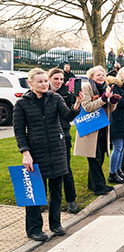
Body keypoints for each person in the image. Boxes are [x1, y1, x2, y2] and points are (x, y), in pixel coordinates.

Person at [15, 69, 82, 241]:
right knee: (36, 193)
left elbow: (66, 116)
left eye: (46, 81)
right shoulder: (22, 104)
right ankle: (34, 229)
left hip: (56, 150)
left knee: (56, 190)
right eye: (40, 82)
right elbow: (19, 131)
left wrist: (75, 107)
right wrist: (25, 153)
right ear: (31, 83)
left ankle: (55, 224)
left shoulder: (55, 98)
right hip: (35, 152)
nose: (45, 84)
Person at [74, 66, 121, 195]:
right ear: (92, 77)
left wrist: (113, 102)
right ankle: (99, 187)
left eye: (102, 75)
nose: (101, 77)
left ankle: (92, 184)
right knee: (94, 157)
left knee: (99, 157)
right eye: (98, 75)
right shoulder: (87, 88)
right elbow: (88, 107)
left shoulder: (106, 88)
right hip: (90, 127)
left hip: (102, 127)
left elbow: (109, 110)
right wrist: (104, 99)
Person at [48, 68, 79, 213]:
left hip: (63, 133)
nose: (59, 82)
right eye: (56, 79)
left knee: (66, 168)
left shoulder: (66, 94)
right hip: (46, 135)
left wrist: (77, 102)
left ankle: (71, 200)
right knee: (44, 169)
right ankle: (44, 200)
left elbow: (70, 112)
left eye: (61, 79)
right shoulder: (44, 94)